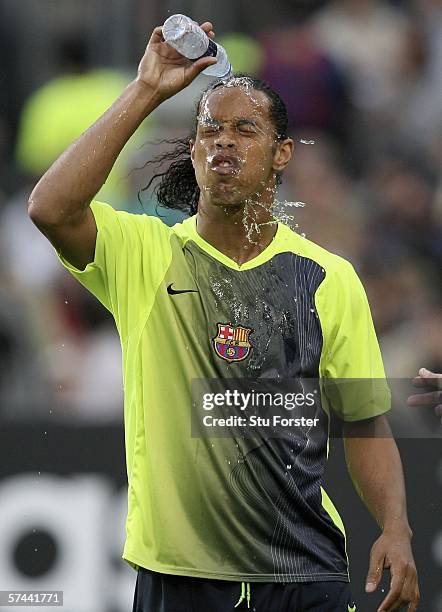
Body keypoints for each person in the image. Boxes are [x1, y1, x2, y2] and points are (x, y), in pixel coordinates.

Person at [27, 21, 419, 612]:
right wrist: (146, 91)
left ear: (282, 152)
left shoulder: (327, 278)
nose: (223, 142)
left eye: (244, 129)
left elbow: (364, 421)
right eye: (209, 129)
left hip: (303, 573)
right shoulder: (146, 254)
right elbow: (51, 207)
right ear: (193, 150)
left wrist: (395, 526)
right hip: (178, 579)